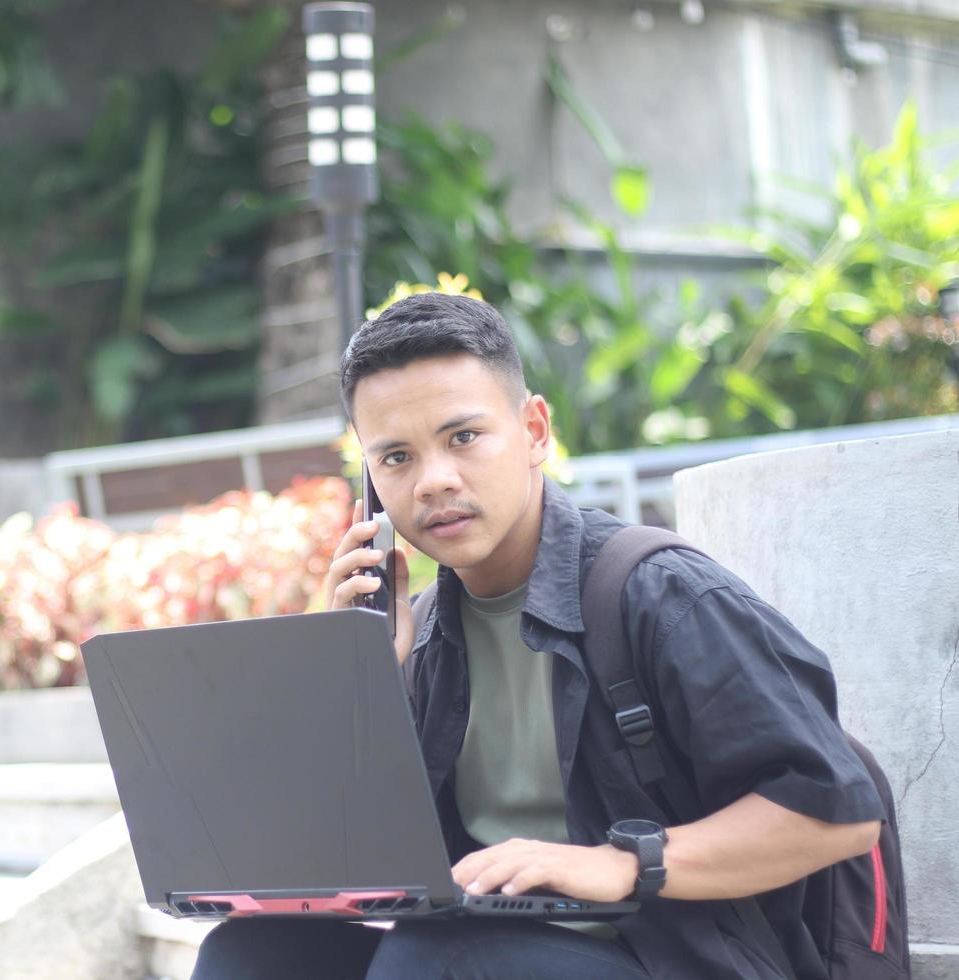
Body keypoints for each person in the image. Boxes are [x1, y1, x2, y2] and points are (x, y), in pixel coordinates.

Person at [191, 293, 884, 979]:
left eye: (463, 437)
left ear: (534, 432)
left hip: (673, 956)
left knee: (443, 955)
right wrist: (361, 678)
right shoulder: (426, 633)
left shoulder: (659, 593)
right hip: (491, 950)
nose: (433, 481)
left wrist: (615, 864)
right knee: (252, 952)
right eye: (396, 458)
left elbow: (839, 812)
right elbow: (352, 862)